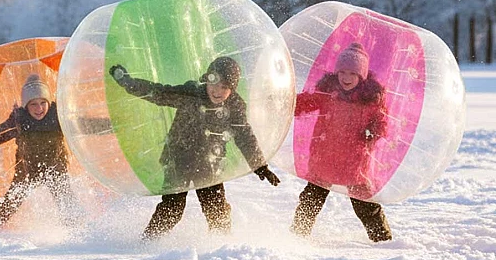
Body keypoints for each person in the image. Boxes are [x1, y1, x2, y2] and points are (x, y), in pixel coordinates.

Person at [109, 57, 280, 240]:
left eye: (224, 87)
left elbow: (244, 135)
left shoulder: (235, 106)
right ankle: (149, 241)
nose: (217, 91)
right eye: (214, 84)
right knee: (172, 208)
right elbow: (158, 92)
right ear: (207, 80)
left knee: (216, 208)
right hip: (179, 158)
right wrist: (128, 82)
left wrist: (260, 166)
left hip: (210, 161)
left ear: (232, 89)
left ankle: (221, 243)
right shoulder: (192, 93)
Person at [0, 73, 107, 227]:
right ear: (26, 105)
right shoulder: (20, 121)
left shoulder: (57, 117)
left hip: (55, 165)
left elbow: (82, 125)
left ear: (48, 102)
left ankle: (77, 227)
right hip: (27, 168)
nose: (39, 108)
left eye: (43, 102)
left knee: (64, 197)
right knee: (12, 198)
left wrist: (109, 126)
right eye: (33, 104)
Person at [290, 42, 393, 242]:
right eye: (342, 72)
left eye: (352, 74)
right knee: (311, 199)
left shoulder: (371, 99)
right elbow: (307, 102)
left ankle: (382, 239)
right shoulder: (327, 93)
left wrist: (373, 131)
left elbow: (382, 122)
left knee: (366, 206)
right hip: (325, 157)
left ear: (361, 76)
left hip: (354, 161)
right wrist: (287, 103)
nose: (346, 78)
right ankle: (298, 234)